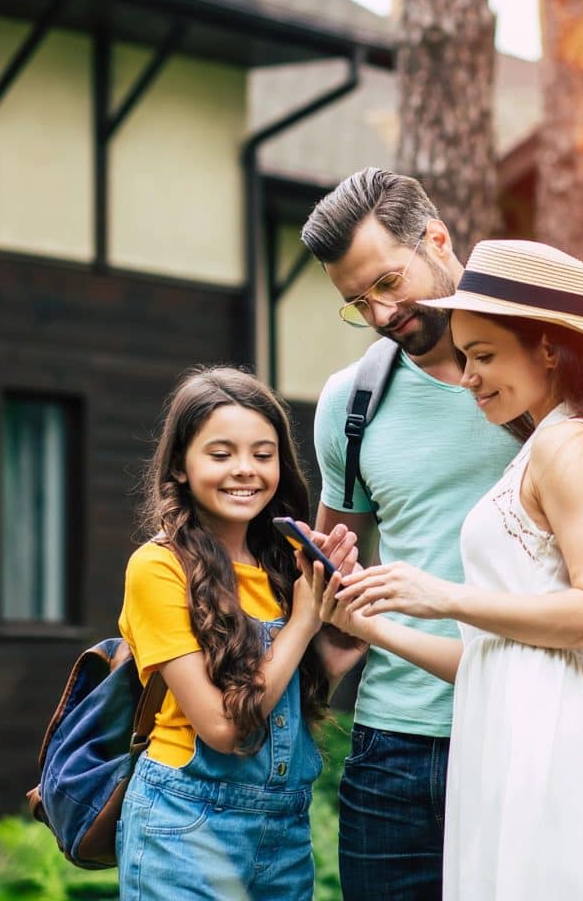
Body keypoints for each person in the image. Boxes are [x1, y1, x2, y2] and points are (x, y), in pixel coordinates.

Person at [299, 170, 583, 900]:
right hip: (400, 750)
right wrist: (331, 594)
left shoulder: (580, 380)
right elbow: (333, 579)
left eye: (389, 281)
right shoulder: (349, 405)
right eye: (357, 302)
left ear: (438, 240)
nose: (383, 311)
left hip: (548, 726)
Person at [115, 367, 358, 899]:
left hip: (285, 830)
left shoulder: (283, 564)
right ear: (180, 465)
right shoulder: (159, 568)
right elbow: (224, 731)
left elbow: (285, 714)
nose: (245, 471)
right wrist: (301, 622)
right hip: (186, 825)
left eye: (263, 455)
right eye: (220, 455)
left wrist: (332, 657)